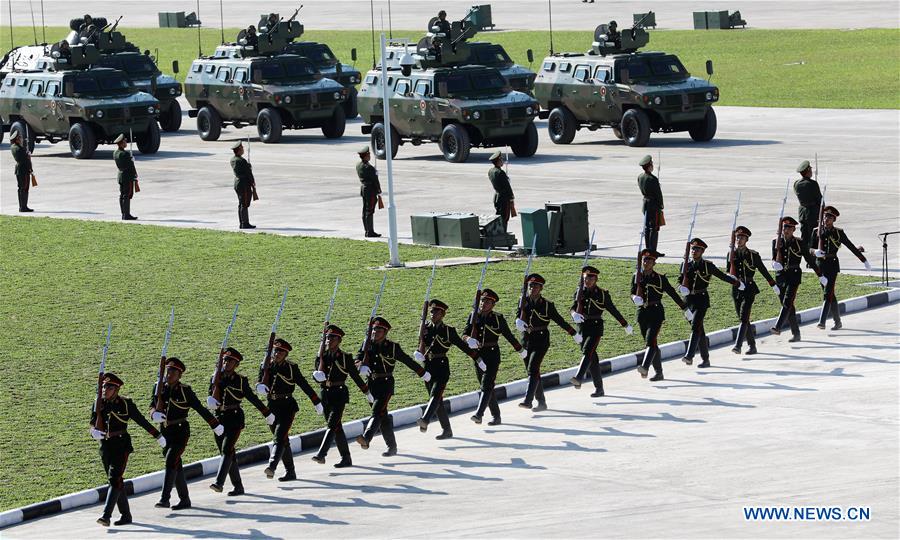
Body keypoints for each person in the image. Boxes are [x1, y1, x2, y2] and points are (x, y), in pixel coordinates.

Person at [90, 373, 165, 527]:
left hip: (121, 445)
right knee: (116, 481)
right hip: (105, 446)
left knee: (114, 479)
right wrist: (93, 432)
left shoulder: (125, 404)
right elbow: (92, 423)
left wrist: (157, 435)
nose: (105, 389)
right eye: (104, 386)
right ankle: (126, 515)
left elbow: (141, 421)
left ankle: (106, 515)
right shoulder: (98, 403)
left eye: (109, 387)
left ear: (116, 389)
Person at [149, 358, 223, 510]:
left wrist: (214, 424)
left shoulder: (185, 391)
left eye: (173, 372)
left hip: (180, 432)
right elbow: (152, 405)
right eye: (168, 371)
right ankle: (185, 500)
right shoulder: (159, 387)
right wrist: (153, 414)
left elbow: (200, 408)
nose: (169, 374)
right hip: (165, 432)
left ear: (179, 375)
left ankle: (165, 498)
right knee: (176, 466)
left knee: (171, 460)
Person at [355, 317, 431, 457]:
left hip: (385, 384)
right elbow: (357, 358)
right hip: (371, 384)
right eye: (373, 329)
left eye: (378, 330)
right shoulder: (367, 344)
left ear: (385, 332)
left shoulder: (392, 347)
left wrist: (422, 373)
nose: (375, 332)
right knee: (383, 417)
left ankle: (366, 437)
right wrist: (361, 366)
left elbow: (407, 360)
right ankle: (392, 447)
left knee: (377, 412)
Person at [207, 347, 274, 496]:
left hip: (235, 418)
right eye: (225, 360)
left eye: (230, 361)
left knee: (226, 450)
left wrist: (266, 412)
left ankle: (219, 483)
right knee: (228, 454)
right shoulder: (216, 377)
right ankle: (238, 486)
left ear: (236, 364)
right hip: (219, 419)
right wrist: (211, 400)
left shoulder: (240, 380)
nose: (226, 363)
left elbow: (252, 397)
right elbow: (211, 396)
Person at [256, 338, 323, 482]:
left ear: (286, 354)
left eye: (280, 351)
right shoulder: (266, 365)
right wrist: (259, 387)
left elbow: (304, 385)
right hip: (272, 406)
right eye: (275, 350)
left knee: (279, 437)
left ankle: (272, 466)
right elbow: (260, 381)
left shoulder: (291, 368)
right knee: (283, 441)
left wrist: (316, 401)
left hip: (287, 407)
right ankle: (290, 472)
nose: (277, 353)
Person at [515, 274, 579, 411]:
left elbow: (559, 320)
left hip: (541, 339)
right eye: (531, 286)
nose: (533, 289)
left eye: (536, 286)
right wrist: (518, 322)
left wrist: (573, 333)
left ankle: (528, 400)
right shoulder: (523, 301)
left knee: (533, 368)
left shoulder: (547, 305)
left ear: (541, 288)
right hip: (526, 340)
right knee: (532, 371)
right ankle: (542, 402)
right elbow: (519, 316)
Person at [311, 325, 370, 467]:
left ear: (339, 340)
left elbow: (355, 376)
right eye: (327, 338)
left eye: (332, 338)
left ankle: (321, 454)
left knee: (332, 425)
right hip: (325, 394)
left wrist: (366, 392)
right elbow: (318, 375)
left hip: (339, 394)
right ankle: (346, 458)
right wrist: (316, 376)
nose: (329, 341)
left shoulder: (345, 357)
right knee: (337, 428)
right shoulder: (321, 356)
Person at [415, 299, 474, 439]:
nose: (433, 314)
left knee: (435, 395)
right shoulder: (425, 328)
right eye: (431, 311)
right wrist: (418, 353)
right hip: (428, 366)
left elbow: (462, 346)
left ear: (442, 314)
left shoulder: (448, 331)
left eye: (436, 311)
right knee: (436, 400)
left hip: (441, 366)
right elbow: (421, 346)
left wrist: (477, 358)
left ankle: (425, 419)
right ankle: (447, 430)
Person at [679, 238, 743, 368]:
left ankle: (689, 356)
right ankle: (705, 360)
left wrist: (736, 283)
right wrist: (680, 287)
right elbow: (680, 280)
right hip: (688, 301)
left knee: (695, 327)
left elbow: (722, 276)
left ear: (702, 252)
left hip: (701, 300)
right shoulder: (686, 264)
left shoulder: (708, 266)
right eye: (693, 249)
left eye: (697, 249)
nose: (694, 251)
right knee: (699, 331)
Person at [570, 265, 632, 397]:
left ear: (596, 279)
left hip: (595, 327)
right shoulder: (579, 291)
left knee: (587, 351)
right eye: (586, 278)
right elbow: (572, 308)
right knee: (592, 359)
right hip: (582, 327)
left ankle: (578, 377)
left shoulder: (602, 294)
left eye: (591, 278)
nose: (588, 281)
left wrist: (625, 324)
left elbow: (612, 310)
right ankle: (599, 389)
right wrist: (574, 314)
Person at [463, 288, 522, 425]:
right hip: (477, 355)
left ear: (493, 305)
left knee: (486, 385)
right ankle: (496, 416)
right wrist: (468, 340)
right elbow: (464, 333)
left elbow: (508, 336)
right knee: (487, 387)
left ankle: (479, 414)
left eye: (488, 302)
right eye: (482, 301)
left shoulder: (498, 318)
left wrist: (520, 349)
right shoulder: (473, 316)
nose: (484, 304)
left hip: (492, 355)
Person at [631, 249, 688, 381]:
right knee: (651, 344)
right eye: (644, 260)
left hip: (656, 313)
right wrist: (634, 298)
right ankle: (659, 373)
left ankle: (645, 367)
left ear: (654, 263)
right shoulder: (637, 277)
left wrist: (684, 308)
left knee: (651, 341)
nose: (646, 262)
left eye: (649, 260)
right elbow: (632, 292)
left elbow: (672, 293)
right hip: (642, 313)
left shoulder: (660, 279)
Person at [810, 206, 870, 330]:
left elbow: (851, 246)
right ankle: (838, 322)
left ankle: (822, 321)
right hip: (820, 266)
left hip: (832, 265)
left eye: (829, 217)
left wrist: (863, 260)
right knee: (830, 294)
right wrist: (814, 251)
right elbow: (807, 248)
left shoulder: (838, 233)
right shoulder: (816, 230)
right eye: (825, 216)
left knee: (828, 293)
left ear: (834, 220)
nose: (826, 219)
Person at [770, 216, 823, 341]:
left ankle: (778, 327)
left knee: (788, 302)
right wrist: (774, 264)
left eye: (788, 228)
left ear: (794, 229)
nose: (785, 230)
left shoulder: (799, 242)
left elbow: (809, 259)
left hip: (794, 275)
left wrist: (820, 275)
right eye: (784, 227)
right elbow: (774, 257)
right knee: (788, 306)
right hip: (781, 276)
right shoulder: (776, 241)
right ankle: (796, 333)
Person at [727, 227, 777, 355]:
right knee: (743, 318)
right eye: (737, 237)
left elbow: (763, 270)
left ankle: (737, 346)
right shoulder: (731, 253)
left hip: (749, 288)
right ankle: (752, 346)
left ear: (747, 240)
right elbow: (728, 272)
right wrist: (733, 279)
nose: (739, 240)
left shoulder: (753, 255)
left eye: (742, 238)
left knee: (744, 317)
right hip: (736, 288)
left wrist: (773, 284)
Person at [793, 160, 822, 249]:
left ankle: (806, 254)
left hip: (802, 213)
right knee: (813, 237)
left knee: (804, 236)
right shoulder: (813, 183)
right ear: (808, 171)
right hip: (813, 213)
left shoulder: (796, 184)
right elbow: (819, 199)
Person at [637, 155, 664, 251]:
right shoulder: (653, 179)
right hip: (653, 205)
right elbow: (658, 194)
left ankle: (648, 248)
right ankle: (653, 250)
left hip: (645, 204)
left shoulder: (640, 177)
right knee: (654, 228)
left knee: (647, 228)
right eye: (651, 164)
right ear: (649, 166)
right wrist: (661, 205)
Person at [356, 146, 382, 237]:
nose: (370, 155)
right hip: (370, 191)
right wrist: (379, 190)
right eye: (369, 154)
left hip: (364, 189)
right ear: (366, 156)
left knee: (365, 211)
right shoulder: (369, 168)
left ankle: (367, 230)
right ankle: (370, 232)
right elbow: (375, 180)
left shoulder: (359, 165)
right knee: (369, 211)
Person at [231, 141, 256, 229]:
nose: (243, 149)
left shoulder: (233, 159)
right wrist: (252, 181)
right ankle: (244, 223)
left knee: (241, 204)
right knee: (244, 204)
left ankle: (242, 222)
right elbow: (248, 173)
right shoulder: (241, 161)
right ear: (238, 150)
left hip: (238, 183)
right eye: (242, 148)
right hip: (244, 184)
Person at [488, 151, 515, 232]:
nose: (502, 161)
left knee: (498, 216)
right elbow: (507, 187)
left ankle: (497, 233)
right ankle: (502, 234)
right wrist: (511, 197)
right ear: (498, 161)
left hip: (497, 197)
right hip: (504, 198)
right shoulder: (500, 172)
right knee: (504, 218)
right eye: (501, 159)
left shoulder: (491, 171)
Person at [113, 134, 138, 220]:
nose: (126, 142)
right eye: (124, 141)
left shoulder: (115, 153)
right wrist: (131, 160)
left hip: (120, 176)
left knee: (122, 195)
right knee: (127, 195)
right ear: (121, 143)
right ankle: (126, 214)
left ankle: (123, 214)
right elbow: (129, 166)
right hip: (127, 176)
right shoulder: (125, 154)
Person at [10, 129, 34, 212]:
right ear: (16, 139)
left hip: (19, 170)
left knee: (21, 188)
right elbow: (25, 160)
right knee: (25, 188)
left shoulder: (14, 147)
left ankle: (22, 206)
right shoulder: (19, 148)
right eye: (19, 137)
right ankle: (23, 207)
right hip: (23, 170)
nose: (21, 139)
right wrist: (28, 156)